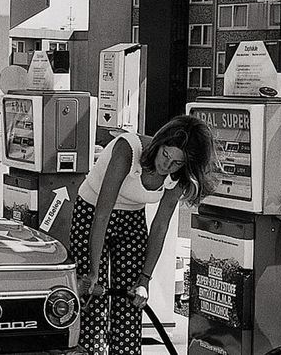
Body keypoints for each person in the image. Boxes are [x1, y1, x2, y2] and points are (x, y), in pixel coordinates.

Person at [71, 115, 216, 354]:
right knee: (92, 298)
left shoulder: (178, 178)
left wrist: (145, 280)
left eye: (176, 163)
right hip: (92, 210)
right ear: (158, 145)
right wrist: (94, 272)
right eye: (165, 155)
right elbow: (102, 214)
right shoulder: (128, 149)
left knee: (131, 297)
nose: (166, 166)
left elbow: (160, 225)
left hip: (132, 217)